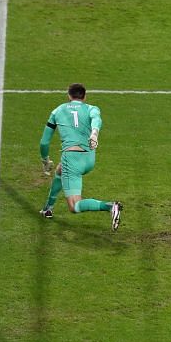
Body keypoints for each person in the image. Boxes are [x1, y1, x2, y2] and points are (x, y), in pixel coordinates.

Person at [38, 83, 122, 231]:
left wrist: (45, 160)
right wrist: (94, 132)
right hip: (89, 158)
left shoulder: (57, 111)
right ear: (85, 96)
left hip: (72, 158)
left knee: (74, 206)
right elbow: (96, 119)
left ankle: (110, 206)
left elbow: (44, 142)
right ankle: (48, 208)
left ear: (68, 96)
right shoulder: (92, 108)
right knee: (60, 171)